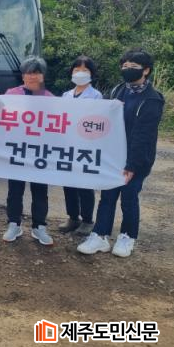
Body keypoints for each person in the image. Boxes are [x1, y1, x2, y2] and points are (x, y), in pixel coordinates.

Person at [78, 48, 164, 258]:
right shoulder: (118, 90)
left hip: (137, 159)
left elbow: (143, 136)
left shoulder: (152, 99)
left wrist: (132, 165)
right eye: (124, 66)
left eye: (133, 66)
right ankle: (100, 235)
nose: (127, 69)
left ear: (146, 70)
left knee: (129, 197)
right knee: (107, 195)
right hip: (114, 156)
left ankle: (127, 236)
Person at [2, 56, 54, 246]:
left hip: (40, 152)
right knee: (15, 189)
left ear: (43, 76)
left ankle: (39, 226)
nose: (32, 76)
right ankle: (14, 224)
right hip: (17, 150)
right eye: (29, 73)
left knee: (40, 190)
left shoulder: (50, 98)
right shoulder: (11, 94)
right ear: (23, 75)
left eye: (37, 73)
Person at [59, 56, 103, 235]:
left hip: (85, 145)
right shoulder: (66, 95)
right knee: (68, 183)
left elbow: (98, 121)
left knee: (84, 184)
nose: (80, 73)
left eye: (85, 70)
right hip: (67, 145)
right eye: (77, 70)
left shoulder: (96, 96)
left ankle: (87, 220)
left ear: (91, 74)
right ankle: (72, 217)